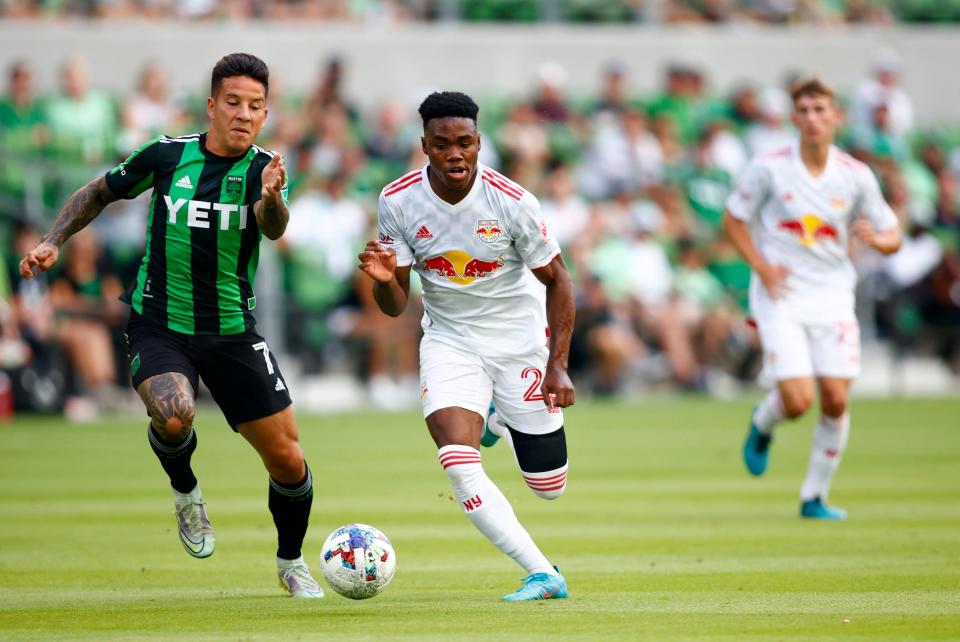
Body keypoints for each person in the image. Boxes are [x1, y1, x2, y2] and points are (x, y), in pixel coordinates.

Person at [19, 53, 323, 597]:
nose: (243, 114)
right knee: (175, 412)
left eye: (255, 106)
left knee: (289, 460)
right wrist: (52, 240)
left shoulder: (263, 171)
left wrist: (274, 197)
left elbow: (273, 229)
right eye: (233, 102)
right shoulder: (166, 155)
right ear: (211, 105)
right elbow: (99, 191)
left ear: (265, 113)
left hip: (232, 330)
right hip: (159, 321)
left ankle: (290, 562)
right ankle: (186, 494)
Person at [358, 91, 575, 601]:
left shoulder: (513, 201)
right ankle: (543, 573)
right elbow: (393, 304)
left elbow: (560, 281)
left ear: (479, 143)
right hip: (450, 340)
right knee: (457, 459)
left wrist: (557, 365)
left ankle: (498, 414)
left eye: (464, 143)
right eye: (441, 144)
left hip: (519, 342)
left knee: (549, 486)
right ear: (425, 146)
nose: (454, 154)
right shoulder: (398, 200)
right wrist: (386, 280)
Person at [723, 77, 901, 520]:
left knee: (837, 399)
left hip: (833, 295)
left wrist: (877, 241)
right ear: (793, 118)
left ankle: (814, 497)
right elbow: (734, 217)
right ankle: (763, 423)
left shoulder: (855, 175)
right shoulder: (769, 167)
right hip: (780, 293)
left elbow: (892, 232)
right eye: (803, 110)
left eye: (821, 110)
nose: (812, 118)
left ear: (837, 117)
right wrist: (761, 268)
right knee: (799, 401)